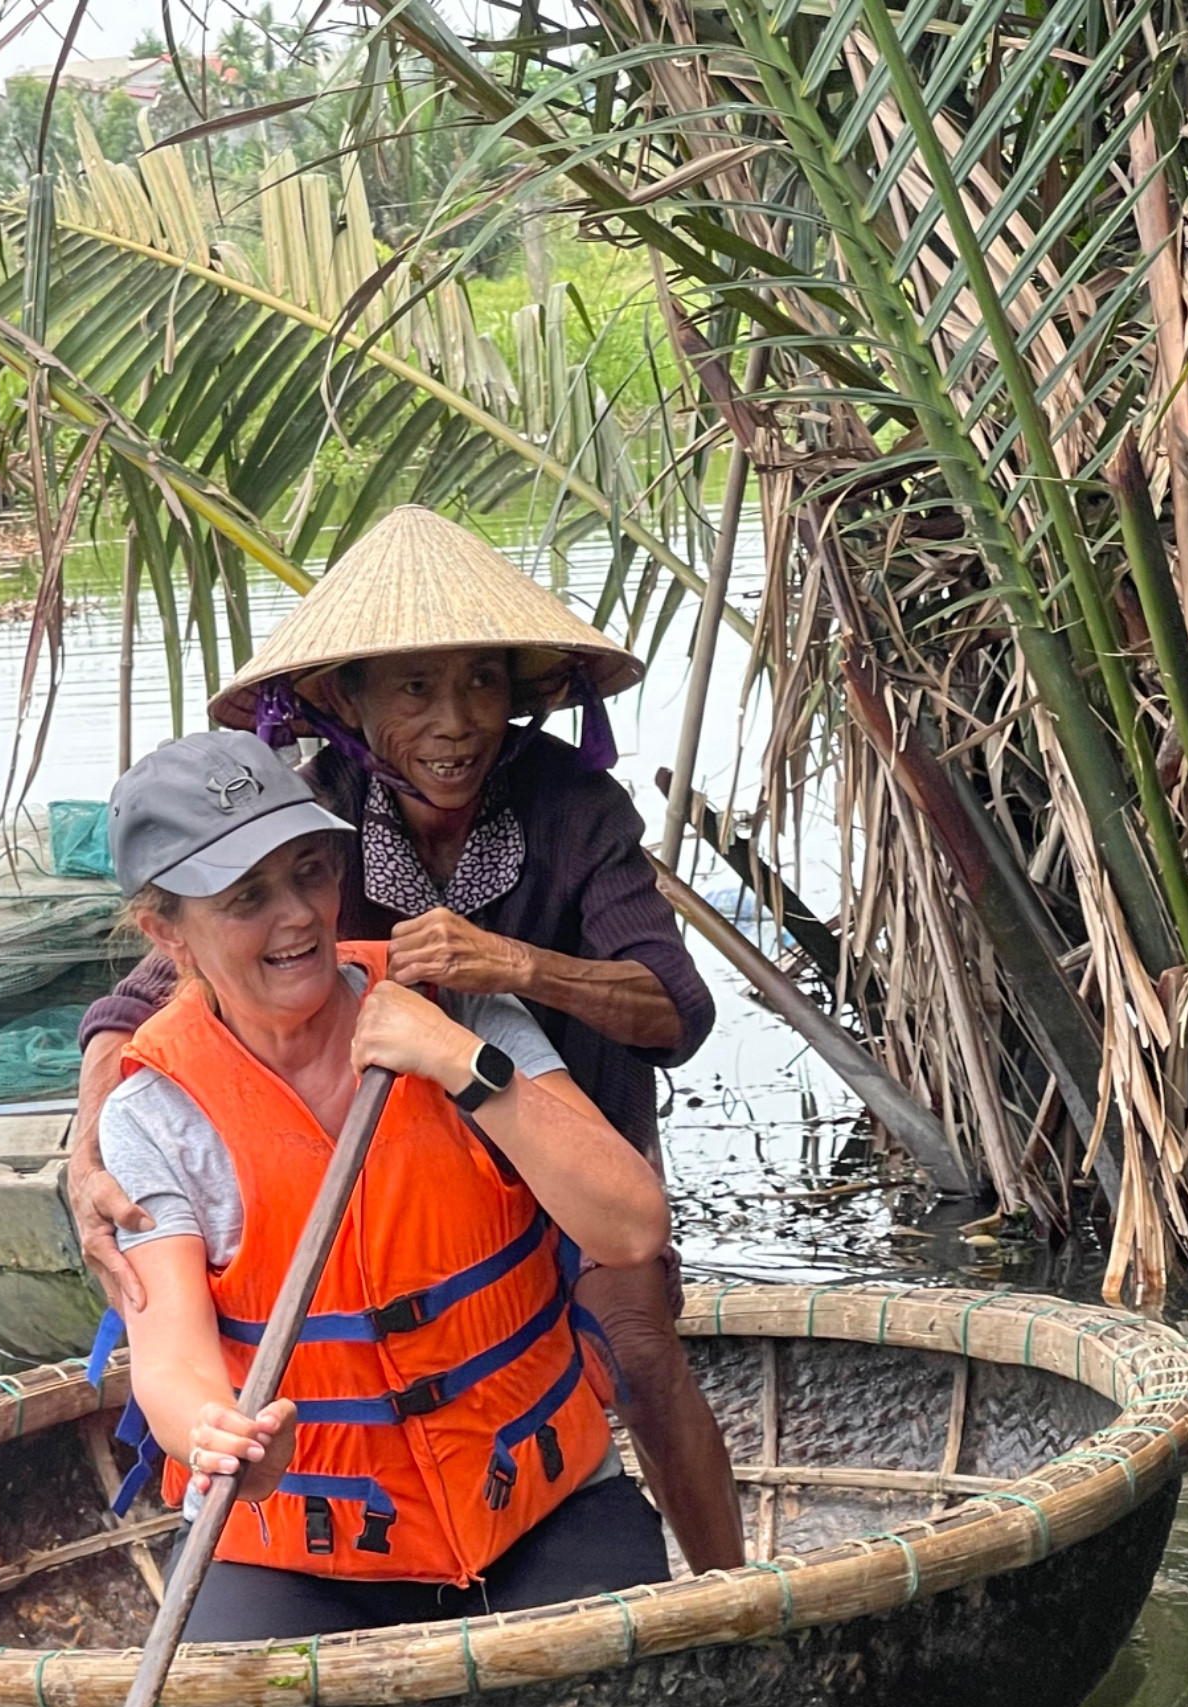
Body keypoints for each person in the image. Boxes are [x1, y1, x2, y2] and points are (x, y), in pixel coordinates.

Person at [69, 505, 746, 1573]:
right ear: (348, 700)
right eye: (415, 690)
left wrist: (510, 967)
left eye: (480, 681)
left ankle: (726, 1596)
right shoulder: (311, 812)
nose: (456, 721)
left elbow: (675, 1009)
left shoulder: (572, 805)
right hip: (410, 1155)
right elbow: (141, 1002)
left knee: (639, 1336)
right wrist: (85, 1152)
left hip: (568, 1126)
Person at [97, 726, 675, 1642]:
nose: (297, 917)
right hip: (301, 1539)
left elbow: (631, 1227)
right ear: (167, 931)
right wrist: (216, 1437)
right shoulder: (154, 1114)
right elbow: (169, 1353)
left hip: (534, 1499)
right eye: (248, 897)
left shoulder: (453, 1009)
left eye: (311, 873)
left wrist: (462, 1063)